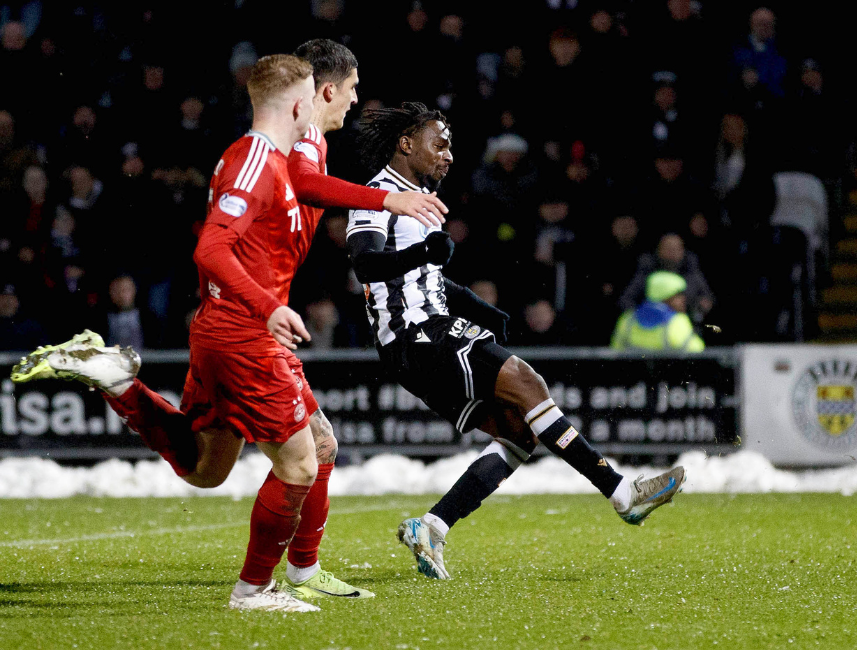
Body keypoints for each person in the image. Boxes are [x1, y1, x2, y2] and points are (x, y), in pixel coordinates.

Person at [9, 54, 394, 613]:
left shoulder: (276, 155)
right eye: (324, 92)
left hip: (228, 329)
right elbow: (211, 247)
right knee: (305, 462)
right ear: (301, 101)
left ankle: (119, 383)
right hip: (245, 334)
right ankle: (256, 588)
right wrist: (268, 307)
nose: (337, 101)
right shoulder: (259, 159)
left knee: (207, 467)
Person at [344, 102, 685, 581]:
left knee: (519, 434)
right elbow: (366, 264)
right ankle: (621, 493)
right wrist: (424, 251)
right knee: (528, 382)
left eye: (451, 147)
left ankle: (433, 526)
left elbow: (429, 280)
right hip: (415, 336)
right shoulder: (378, 194)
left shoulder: (420, 202)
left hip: (426, 334)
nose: (448, 155)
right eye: (438, 144)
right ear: (405, 144)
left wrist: (478, 308)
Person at [611, 271, 705, 352]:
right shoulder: (678, 321)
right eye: (678, 295)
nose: (683, 299)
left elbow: (616, 349)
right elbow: (698, 351)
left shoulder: (627, 319)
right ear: (665, 296)